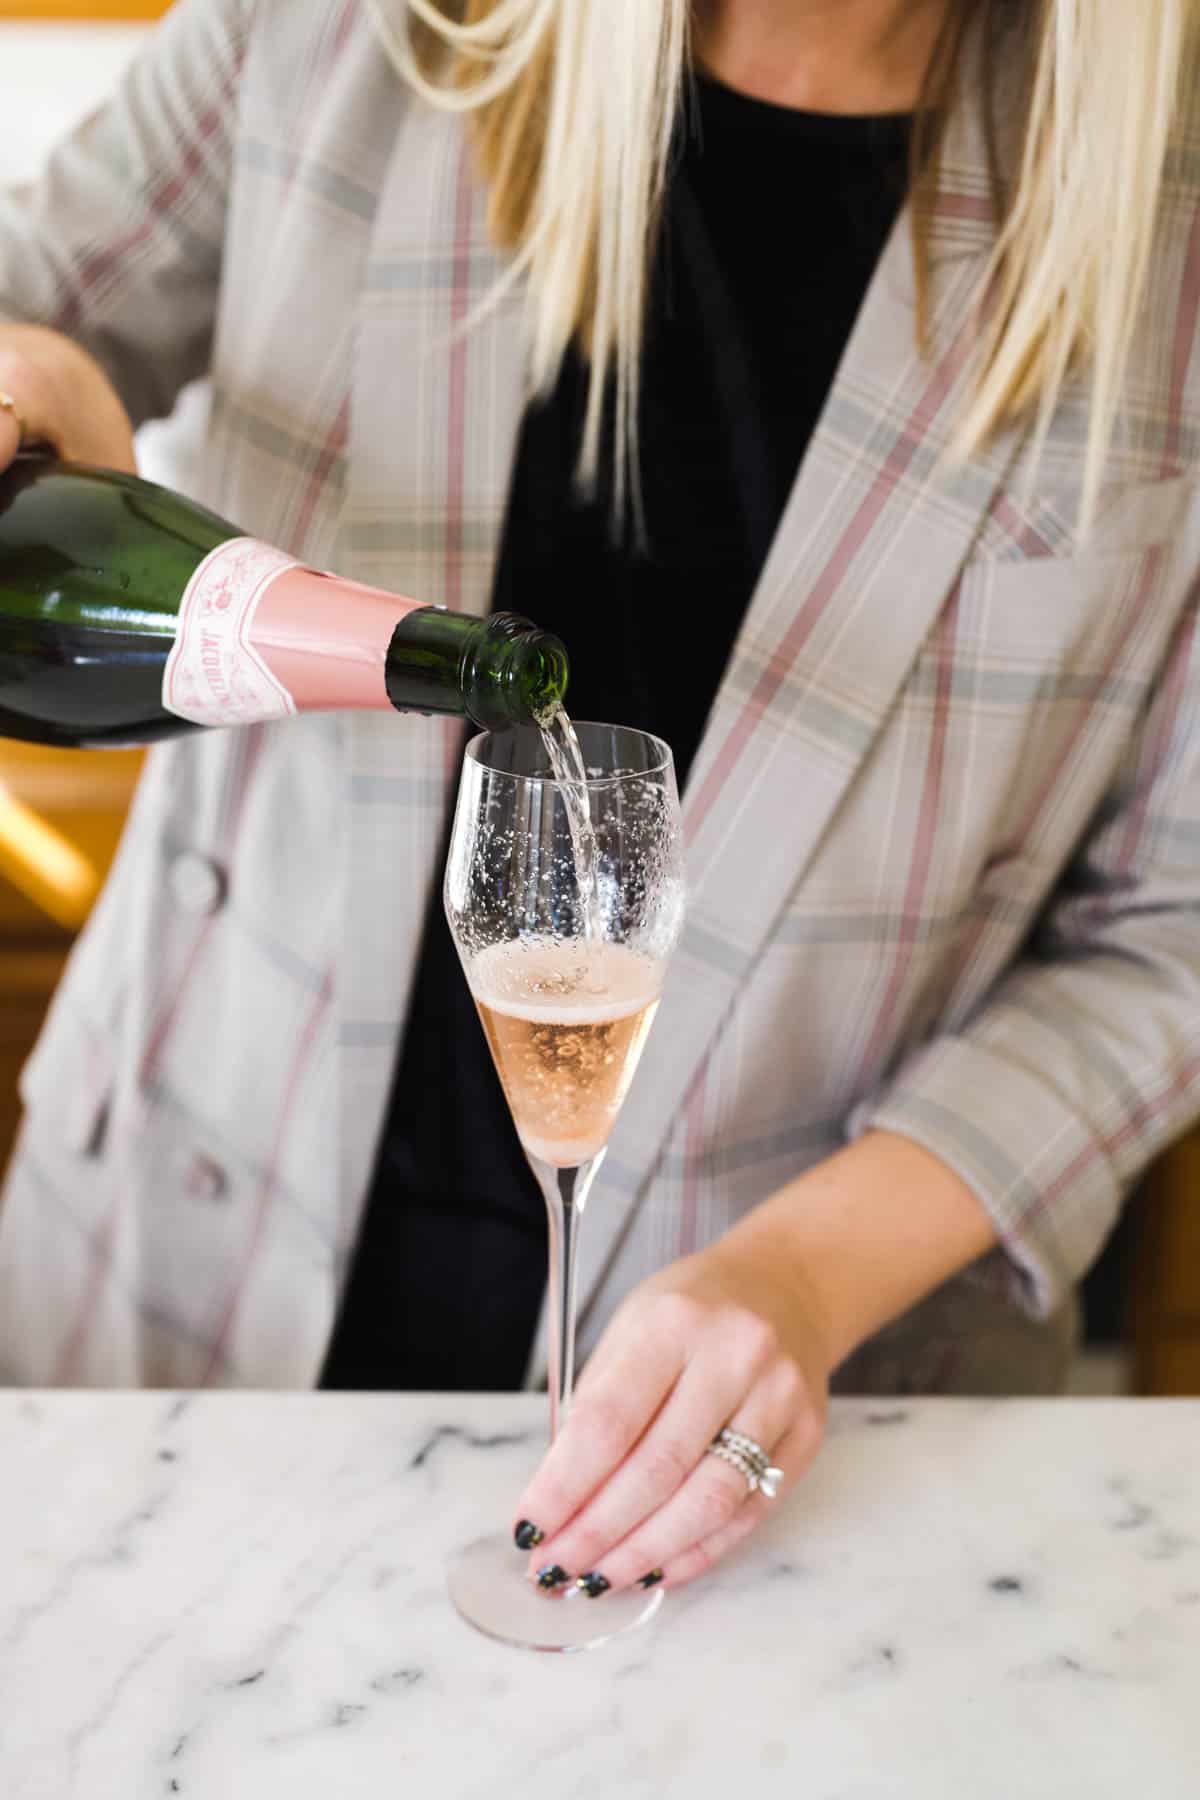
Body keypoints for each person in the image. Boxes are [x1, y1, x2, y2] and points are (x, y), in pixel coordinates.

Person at [0, 0, 1196, 1599]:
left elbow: (1170, 934)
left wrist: (802, 1276)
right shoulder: (364, 28)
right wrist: (30, 374)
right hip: (173, 1300)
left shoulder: (1164, 223)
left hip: (756, 1431)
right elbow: (33, 300)